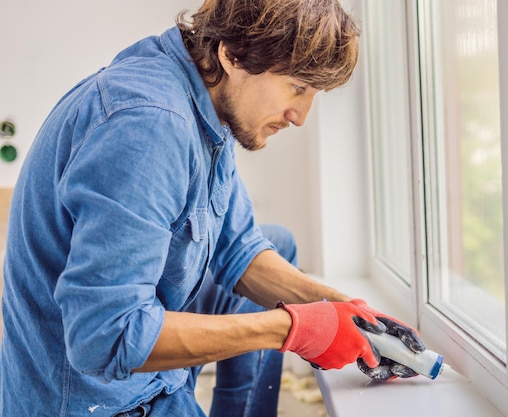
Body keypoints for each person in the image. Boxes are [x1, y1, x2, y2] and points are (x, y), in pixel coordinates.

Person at [0, 0, 425, 416]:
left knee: (277, 243)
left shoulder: (204, 96)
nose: (300, 116)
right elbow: (105, 336)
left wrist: (345, 309)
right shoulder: (150, 125)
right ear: (232, 54)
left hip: (131, 375)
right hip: (98, 401)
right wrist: (291, 329)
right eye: (297, 87)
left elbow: (238, 251)